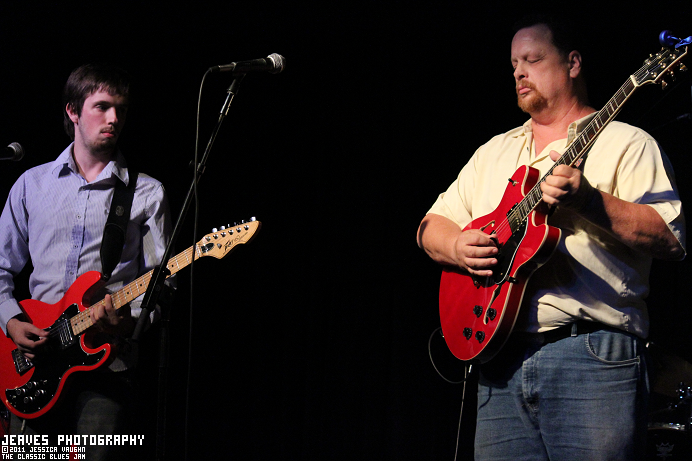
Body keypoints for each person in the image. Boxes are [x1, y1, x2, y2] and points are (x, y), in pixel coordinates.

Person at [417, 16, 686, 461]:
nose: (519, 72)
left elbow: (671, 239)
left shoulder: (628, 143)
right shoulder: (494, 151)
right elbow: (430, 227)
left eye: (533, 59)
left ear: (572, 63)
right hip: (499, 362)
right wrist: (457, 247)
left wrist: (590, 203)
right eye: (514, 64)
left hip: (592, 355)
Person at [0, 63, 172, 460]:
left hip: (105, 367)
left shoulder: (147, 193)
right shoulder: (31, 185)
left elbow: (160, 287)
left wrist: (126, 321)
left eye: (121, 110)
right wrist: (10, 321)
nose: (114, 119)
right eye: (103, 106)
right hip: (33, 362)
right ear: (73, 111)